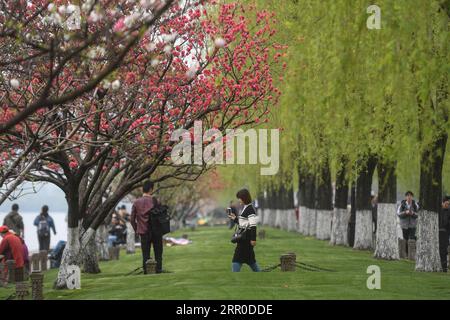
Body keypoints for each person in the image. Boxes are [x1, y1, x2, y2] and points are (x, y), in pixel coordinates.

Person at [131, 180, 164, 274]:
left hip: (143, 231)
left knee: (145, 253)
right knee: (158, 253)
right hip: (156, 231)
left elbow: (132, 219)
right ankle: (158, 269)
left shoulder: (136, 202)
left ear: (143, 189)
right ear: (151, 189)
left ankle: (146, 270)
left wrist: (137, 229)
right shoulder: (156, 200)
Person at [228, 188, 260, 272]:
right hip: (244, 238)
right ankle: (259, 274)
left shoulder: (250, 209)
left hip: (246, 239)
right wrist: (235, 218)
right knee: (250, 260)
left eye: (239, 198)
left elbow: (253, 225)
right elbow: (243, 223)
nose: (238, 200)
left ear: (244, 198)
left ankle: (234, 276)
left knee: (236, 259)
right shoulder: (246, 207)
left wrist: (253, 239)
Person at [439, 196, 450, 272]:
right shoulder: (439, 211)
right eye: (446, 204)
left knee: (444, 250)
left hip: (446, 233)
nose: (447, 205)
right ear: (442, 203)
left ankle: (444, 267)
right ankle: (443, 266)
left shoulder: (449, 211)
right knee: (441, 250)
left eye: (448, 204)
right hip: (439, 232)